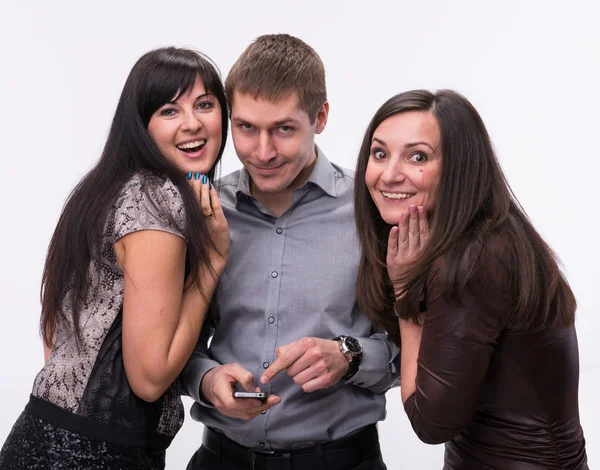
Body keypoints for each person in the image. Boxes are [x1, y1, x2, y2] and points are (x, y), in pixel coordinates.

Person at [0, 47, 230, 470]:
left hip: (40, 438)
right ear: (141, 126)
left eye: (204, 105)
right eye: (169, 110)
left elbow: (58, 332)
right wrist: (213, 261)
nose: (193, 123)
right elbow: (149, 378)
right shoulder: (158, 200)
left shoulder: (106, 187)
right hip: (93, 454)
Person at [184, 34, 399, 470]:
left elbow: (411, 346)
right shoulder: (203, 210)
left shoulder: (371, 207)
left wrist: (349, 355)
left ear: (320, 117)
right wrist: (206, 379)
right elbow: (170, 340)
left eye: (283, 129)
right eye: (246, 128)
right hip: (219, 460)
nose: (262, 153)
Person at [354, 89, 589, 469]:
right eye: (379, 153)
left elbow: (431, 422)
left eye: (417, 157)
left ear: (458, 168)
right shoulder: (484, 236)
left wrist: (405, 293)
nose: (389, 174)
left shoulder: (473, 261)